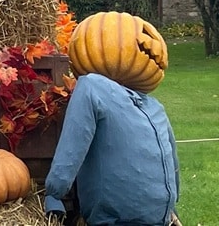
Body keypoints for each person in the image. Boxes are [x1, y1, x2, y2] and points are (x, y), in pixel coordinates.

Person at [44, 63, 180, 225]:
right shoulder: (154, 107)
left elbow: (71, 149)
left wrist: (53, 195)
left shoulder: (92, 86)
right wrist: (171, 203)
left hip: (135, 219)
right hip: (138, 217)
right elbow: (173, 164)